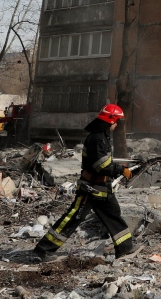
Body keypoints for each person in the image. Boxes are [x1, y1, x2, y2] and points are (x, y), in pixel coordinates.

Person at [32, 104, 135, 262]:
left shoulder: (102, 136)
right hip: (91, 188)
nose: (116, 125)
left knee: (113, 214)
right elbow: (101, 165)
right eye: (116, 121)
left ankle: (125, 248)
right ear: (110, 120)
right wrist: (120, 170)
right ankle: (43, 250)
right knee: (72, 218)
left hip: (101, 187)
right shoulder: (97, 138)